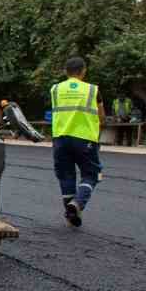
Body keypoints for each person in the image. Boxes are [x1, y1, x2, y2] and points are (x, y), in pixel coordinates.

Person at [50, 57, 104, 228]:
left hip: (60, 138)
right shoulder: (92, 90)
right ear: (84, 71)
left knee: (66, 175)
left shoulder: (55, 89)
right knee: (91, 174)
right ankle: (78, 204)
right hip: (85, 138)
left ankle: (70, 214)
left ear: (66, 71)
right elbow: (101, 116)